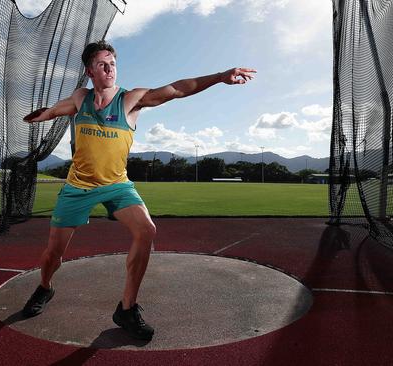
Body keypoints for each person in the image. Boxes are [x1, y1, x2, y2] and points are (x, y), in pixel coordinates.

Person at [22, 40, 255, 341]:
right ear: (89, 71)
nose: (109, 69)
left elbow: (178, 88)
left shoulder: (131, 99)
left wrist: (220, 75)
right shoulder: (81, 98)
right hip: (78, 186)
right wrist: (39, 116)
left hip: (117, 184)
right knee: (53, 254)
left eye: (113, 63)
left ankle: (127, 309)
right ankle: (45, 287)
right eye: (102, 64)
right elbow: (54, 110)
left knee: (146, 230)